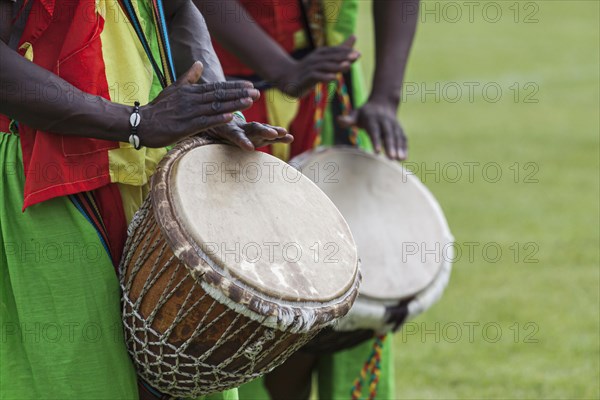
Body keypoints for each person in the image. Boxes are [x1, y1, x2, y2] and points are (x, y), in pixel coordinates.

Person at [0, 0, 291, 399]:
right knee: (82, 381)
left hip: (158, 167)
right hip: (49, 178)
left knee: (188, 379)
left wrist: (213, 108)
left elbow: (176, 9)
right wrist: (136, 122)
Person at [195, 0, 420, 398]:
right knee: (249, 291)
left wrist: (386, 95)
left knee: (333, 273)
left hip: (325, 91)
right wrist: (282, 70)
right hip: (223, 97)